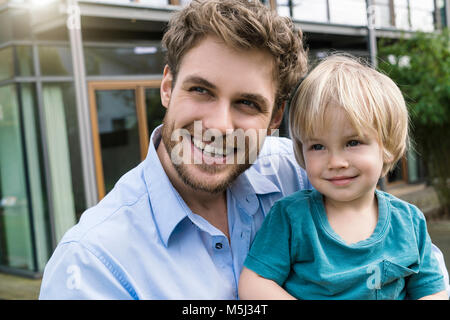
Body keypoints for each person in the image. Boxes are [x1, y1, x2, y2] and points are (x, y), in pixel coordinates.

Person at [39, 0, 311, 299]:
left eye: (247, 103)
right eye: (201, 90)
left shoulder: (301, 173)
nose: (219, 126)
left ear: (275, 116)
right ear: (167, 87)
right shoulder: (93, 263)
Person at [238, 55, 449, 300]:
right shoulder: (291, 218)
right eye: (317, 146)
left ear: (388, 148)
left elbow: (432, 291)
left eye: (352, 142)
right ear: (302, 153)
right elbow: (254, 283)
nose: (336, 162)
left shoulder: (409, 222)